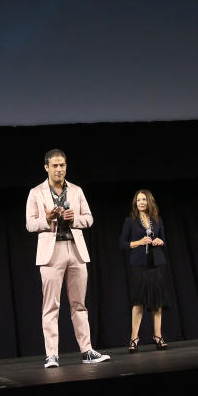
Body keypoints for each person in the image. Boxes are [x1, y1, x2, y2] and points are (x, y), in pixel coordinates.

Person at [26, 149, 111, 368]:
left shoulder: (76, 190)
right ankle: (51, 355)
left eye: (62, 165)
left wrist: (75, 220)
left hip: (75, 249)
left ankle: (87, 350)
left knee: (79, 304)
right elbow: (30, 224)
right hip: (51, 253)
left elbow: (89, 218)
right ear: (46, 167)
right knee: (51, 306)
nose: (59, 169)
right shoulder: (36, 192)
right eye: (54, 166)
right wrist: (46, 218)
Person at [119, 189, 170, 351]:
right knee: (138, 301)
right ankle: (134, 337)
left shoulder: (157, 220)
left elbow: (164, 240)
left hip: (156, 264)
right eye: (138, 200)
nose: (141, 202)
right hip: (139, 265)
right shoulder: (130, 221)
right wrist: (140, 242)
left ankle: (158, 336)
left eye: (144, 200)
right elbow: (123, 243)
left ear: (149, 202)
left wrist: (160, 241)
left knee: (157, 302)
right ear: (135, 203)